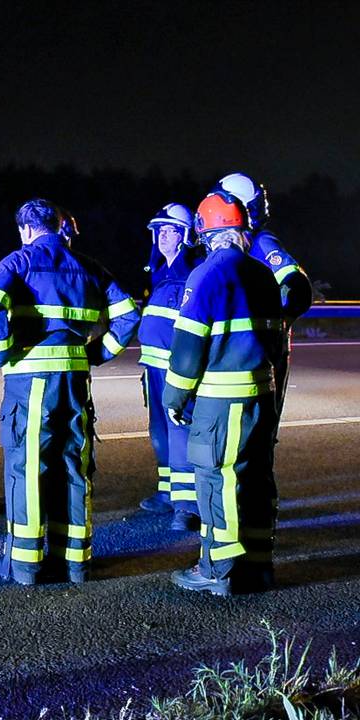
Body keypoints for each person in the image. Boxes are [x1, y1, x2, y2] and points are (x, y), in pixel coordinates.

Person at [0, 199, 141, 585]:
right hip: (75, 381)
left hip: (31, 382)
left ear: (25, 230)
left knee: (28, 467)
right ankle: (76, 562)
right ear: (58, 226)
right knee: (73, 464)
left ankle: (26, 565)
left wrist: (3, 353)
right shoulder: (88, 266)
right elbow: (130, 313)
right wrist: (96, 354)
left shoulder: (17, 262)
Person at [164, 191, 282, 596]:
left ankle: (219, 569)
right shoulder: (262, 273)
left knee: (217, 480)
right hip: (261, 396)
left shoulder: (206, 275)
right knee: (256, 479)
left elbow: (187, 350)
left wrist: (174, 398)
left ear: (204, 230)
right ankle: (258, 565)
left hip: (220, 401)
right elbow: (276, 341)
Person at [216, 173, 311, 421]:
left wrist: (279, 324)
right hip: (239, 353)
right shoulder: (232, 247)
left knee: (260, 427)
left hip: (262, 353)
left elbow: (298, 288)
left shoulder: (260, 242)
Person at [136, 203, 204, 530]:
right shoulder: (160, 271)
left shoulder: (192, 270)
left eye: (170, 230)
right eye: (159, 230)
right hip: (153, 368)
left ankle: (186, 507)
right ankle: (167, 493)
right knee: (160, 433)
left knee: (180, 433)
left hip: (176, 369)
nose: (163, 236)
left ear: (185, 235)